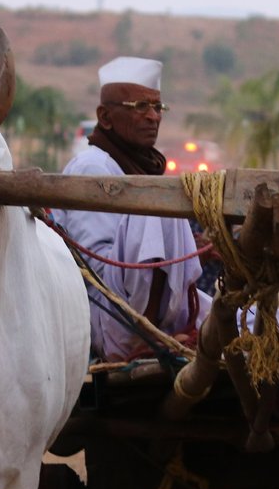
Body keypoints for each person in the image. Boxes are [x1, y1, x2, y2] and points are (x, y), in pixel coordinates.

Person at [55, 57, 204, 361]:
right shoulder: (92, 166)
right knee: (155, 200)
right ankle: (145, 337)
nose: (153, 117)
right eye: (140, 107)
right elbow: (96, 271)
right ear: (105, 117)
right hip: (109, 319)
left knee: (256, 323)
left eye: (157, 107)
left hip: (153, 311)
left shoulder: (132, 169)